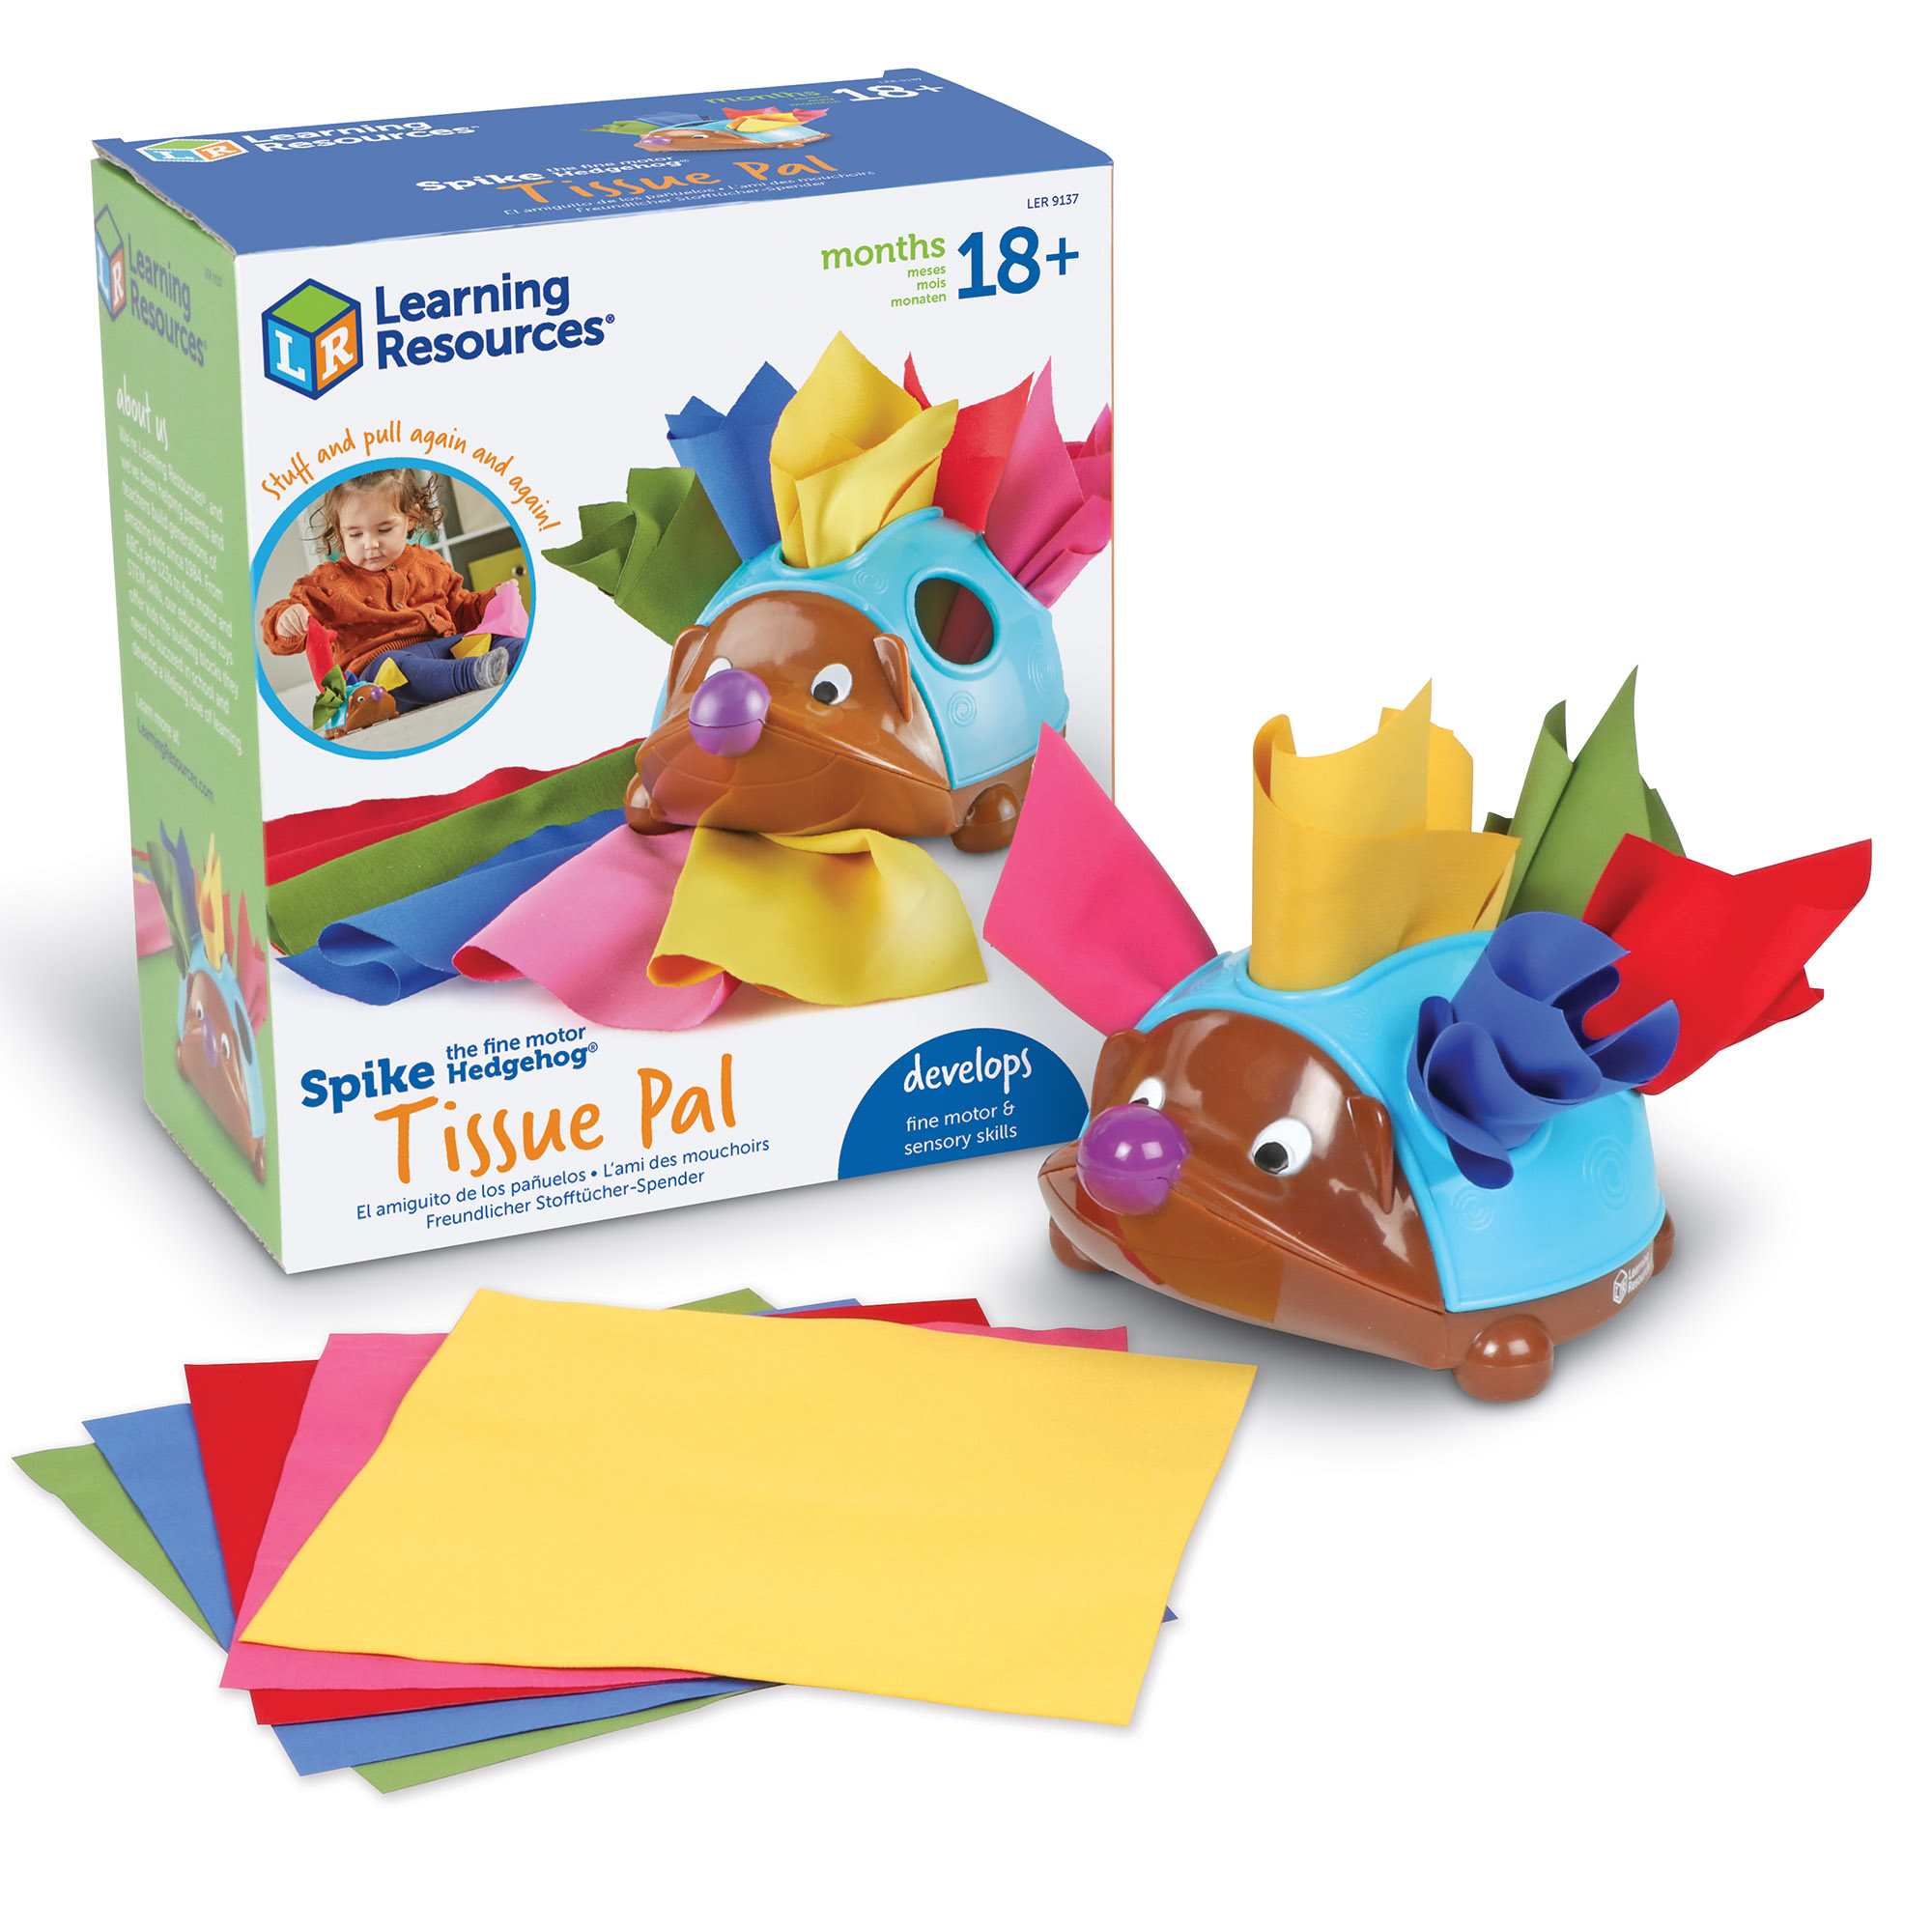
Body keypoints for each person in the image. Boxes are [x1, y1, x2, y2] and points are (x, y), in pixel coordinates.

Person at [259, 470, 520, 714]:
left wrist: (491, 598)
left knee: (495, 639)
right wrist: (286, 619)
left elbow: (461, 611)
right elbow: (278, 634)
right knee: (395, 665)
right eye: (355, 534)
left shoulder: (430, 563)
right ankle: (470, 674)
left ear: (411, 519)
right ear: (340, 530)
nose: (370, 544)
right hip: (375, 677)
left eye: (384, 530)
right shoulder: (328, 582)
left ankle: (522, 655)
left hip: (443, 648)